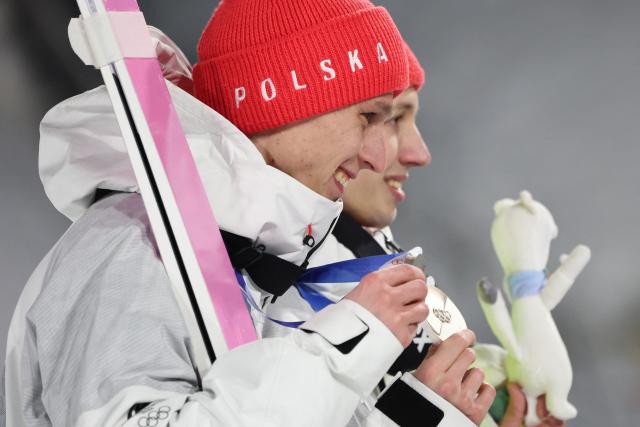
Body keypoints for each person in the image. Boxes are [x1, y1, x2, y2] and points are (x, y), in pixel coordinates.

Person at [2, 1, 493, 426]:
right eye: (368, 116)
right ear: (277, 103)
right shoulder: (131, 244)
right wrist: (342, 349)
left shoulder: (264, 262)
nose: (377, 156)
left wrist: (419, 413)